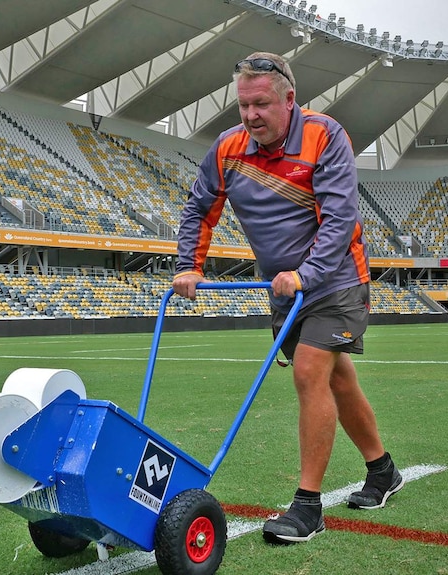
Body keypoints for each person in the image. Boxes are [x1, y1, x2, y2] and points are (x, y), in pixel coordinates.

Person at [172, 52, 403, 545]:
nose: (251, 115)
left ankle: (307, 507)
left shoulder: (325, 136)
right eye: (243, 106)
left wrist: (307, 274)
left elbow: (340, 218)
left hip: (336, 279)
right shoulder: (227, 149)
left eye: (261, 104)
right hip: (285, 289)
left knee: (309, 371)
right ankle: (382, 470)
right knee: (337, 379)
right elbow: (199, 209)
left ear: (289, 99)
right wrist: (189, 265)